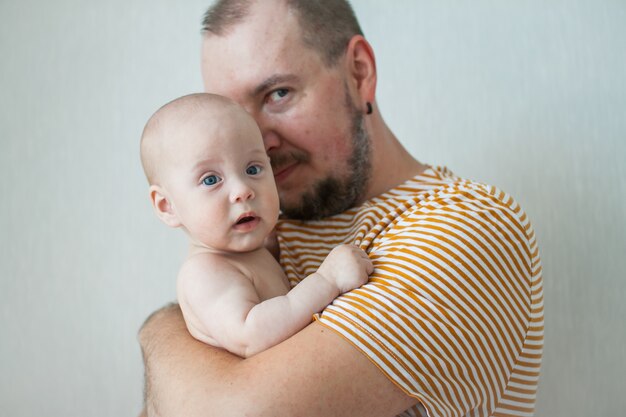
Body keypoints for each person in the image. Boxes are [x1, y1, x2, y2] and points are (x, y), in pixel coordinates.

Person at [138, 1, 544, 416]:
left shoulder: (466, 228)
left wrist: (161, 331)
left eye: (278, 94)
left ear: (359, 73)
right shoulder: (262, 228)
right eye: (235, 115)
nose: (257, 142)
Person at [139, 93, 372, 358]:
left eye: (252, 169)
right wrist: (326, 280)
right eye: (211, 179)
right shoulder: (204, 272)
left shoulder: (252, 252)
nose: (242, 190)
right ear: (167, 206)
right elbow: (251, 335)